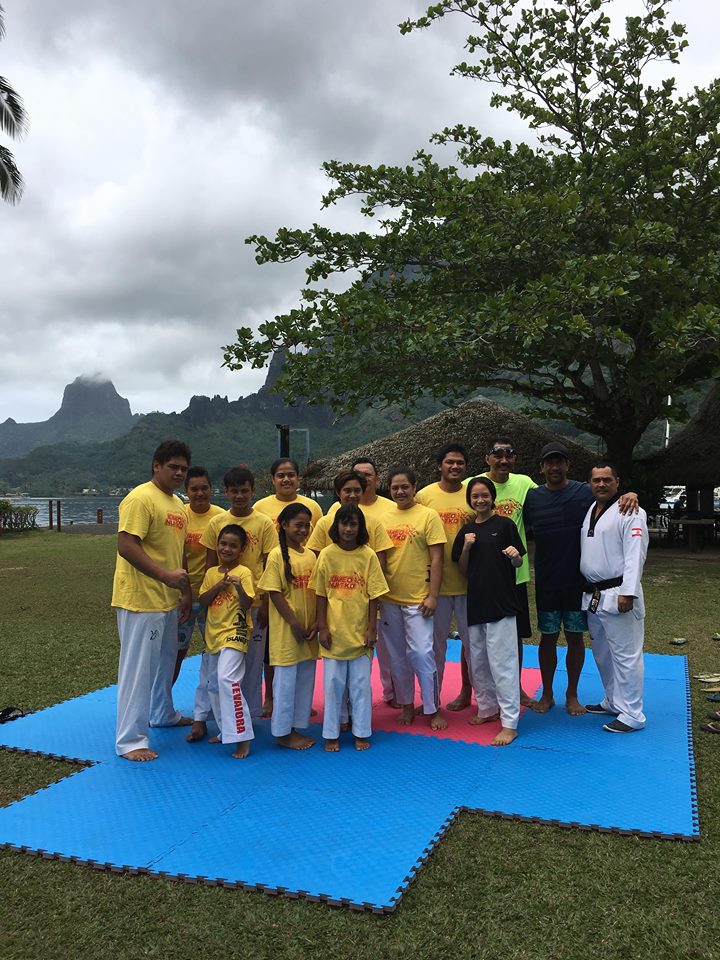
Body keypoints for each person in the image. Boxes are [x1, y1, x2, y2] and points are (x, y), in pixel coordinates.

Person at [524, 443, 639, 715]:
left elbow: (609, 494)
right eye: (549, 463)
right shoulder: (532, 498)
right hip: (547, 580)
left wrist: (631, 494)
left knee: (576, 638)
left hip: (578, 583)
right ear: (541, 467)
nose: (555, 467)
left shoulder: (584, 492)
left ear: (567, 466)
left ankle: (572, 694)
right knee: (548, 637)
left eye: (559, 462)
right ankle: (548, 693)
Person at [112, 439, 193, 762]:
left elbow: (179, 552)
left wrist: (184, 591)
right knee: (138, 670)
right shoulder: (140, 498)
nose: (179, 473)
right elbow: (126, 546)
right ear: (156, 466)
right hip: (140, 599)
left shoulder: (178, 504)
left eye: (183, 469)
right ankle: (130, 740)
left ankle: (163, 713)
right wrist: (164, 577)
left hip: (167, 599)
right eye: (173, 467)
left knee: (164, 662)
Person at [452, 437, 536, 710]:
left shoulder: (524, 483)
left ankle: (517, 690)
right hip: (477, 585)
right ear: (487, 457)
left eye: (508, 455)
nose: (503, 460)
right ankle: (469, 691)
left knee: (511, 641)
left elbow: (554, 491)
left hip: (512, 579)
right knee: (474, 643)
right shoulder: (470, 484)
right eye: (497, 455)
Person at [194, 467, 277, 737]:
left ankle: (248, 716)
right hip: (220, 608)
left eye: (244, 490)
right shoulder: (217, 522)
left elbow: (269, 564)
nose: (239, 496)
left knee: (251, 665)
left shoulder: (263, 523)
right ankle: (207, 718)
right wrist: (207, 603)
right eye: (234, 491)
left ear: (252, 491)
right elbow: (210, 563)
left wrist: (264, 602)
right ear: (227, 492)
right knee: (213, 667)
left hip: (252, 604)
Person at [452, 477, 525, 746]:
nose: (480, 500)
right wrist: (468, 546)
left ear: (492, 497)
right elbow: (462, 569)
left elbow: (518, 562)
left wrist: (514, 555)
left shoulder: (504, 525)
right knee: (479, 660)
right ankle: (487, 709)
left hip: (502, 602)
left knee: (502, 662)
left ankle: (510, 723)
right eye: (475, 496)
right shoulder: (467, 531)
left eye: (484, 495)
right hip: (476, 602)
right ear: (469, 499)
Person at [312, 504, 389, 752]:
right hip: (334, 632)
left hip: (359, 633)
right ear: (336, 526)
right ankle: (332, 733)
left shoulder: (367, 555)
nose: (348, 528)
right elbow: (321, 594)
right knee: (333, 685)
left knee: (360, 686)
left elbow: (373, 596)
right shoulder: (326, 554)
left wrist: (371, 628)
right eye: (344, 523)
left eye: (353, 524)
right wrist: (322, 627)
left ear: (360, 528)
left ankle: (362, 732)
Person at [580, 464, 649, 733]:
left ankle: (632, 714)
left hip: (619, 592)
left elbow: (635, 554)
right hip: (594, 595)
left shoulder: (632, 511)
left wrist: (628, 591)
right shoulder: (591, 509)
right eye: (596, 480)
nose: (601, 484)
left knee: (626, 656)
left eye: (607, 479)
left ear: (617, 482)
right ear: (590, 483)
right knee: (602, 654)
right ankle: (613, 700)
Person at [380, 467, 447, 730]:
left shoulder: (428, 516)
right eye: (395, 488)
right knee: (397, 656)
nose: (400, 492)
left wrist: (433, 595)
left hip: (419, 599)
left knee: (421, 653)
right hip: (389, 599)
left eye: (404, 487)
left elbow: (437, 557)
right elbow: (380, 559)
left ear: (414, 487)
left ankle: (432, 707)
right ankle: (406, 704)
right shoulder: (383, 518)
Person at [258, 503, 319, 750]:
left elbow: (317, 592)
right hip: (287, 631)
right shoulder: (276, 555)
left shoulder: (311, 555)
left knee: (304, 679)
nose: (304, 530)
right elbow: (274, 593)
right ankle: (283, 732)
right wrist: (293, 622)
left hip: (308, 630)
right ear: (283, 526)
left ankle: (296, 725)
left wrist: (316, 622)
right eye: (298, 525)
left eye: (307, 525)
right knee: (285, 681)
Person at [415, 443, 474, 697]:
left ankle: (481, 701)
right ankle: (432, 699)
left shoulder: (472, 494)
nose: (455, 467)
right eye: (450, 462)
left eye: (460, 463)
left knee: (474, 648)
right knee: (433, 648)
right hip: (434, 588)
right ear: (439, 465)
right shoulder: (424, 496)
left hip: (468, 585)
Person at [197, 524, 255, 758]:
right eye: (223, 544)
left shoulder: (244, 572)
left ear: (241, 549)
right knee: (213, 684)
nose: (227, 549)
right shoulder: (212, 573)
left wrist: (239, 588)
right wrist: (218, 586)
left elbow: (247, 604)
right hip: (214, 635)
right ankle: (225, 731)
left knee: (227, 679)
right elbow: (202, 601)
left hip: (236, 632)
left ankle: (242, 737)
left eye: (233, 545)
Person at [175, 467, 225, 685]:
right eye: (194, 489)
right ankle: (162, 704)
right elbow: (175, 553)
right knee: (176, 653)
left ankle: (216, 701)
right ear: (186, 491)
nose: (200, 493)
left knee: (216, 651)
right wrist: (183, 590)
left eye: (204, 488)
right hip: (182, 597)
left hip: (213, 598)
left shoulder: (222, 517)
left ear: (211, 489)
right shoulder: (180, 516)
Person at [307, 470, 393, 566]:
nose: (352, 495)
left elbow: (380, 561)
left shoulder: (374, 523)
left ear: (362, 492)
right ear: (338, 493)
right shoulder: (324, 523)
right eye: (347, 491)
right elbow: (315, 558)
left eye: (357, 490)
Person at [253, 458, 323, 531]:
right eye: (281, 476)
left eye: (291, 475)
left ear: (298, 478)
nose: (286, 479)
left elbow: (321, 539)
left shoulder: (313, 507)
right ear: (273, 480)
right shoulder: (259, 507)